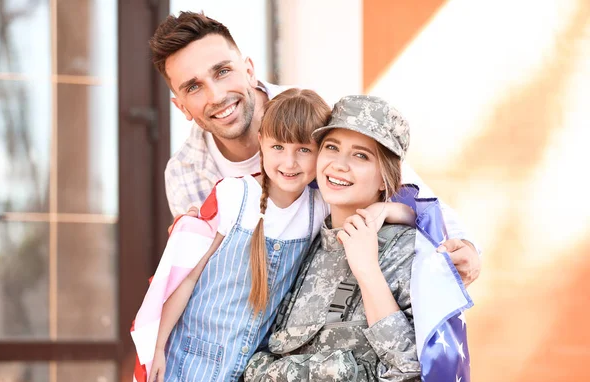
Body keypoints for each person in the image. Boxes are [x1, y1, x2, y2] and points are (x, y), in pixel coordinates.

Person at [148, 11, 481, 286]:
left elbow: (403, 186)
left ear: (248, 69)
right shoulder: (184, 173)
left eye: (223, 71)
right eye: (194, 87)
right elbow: (208, 278)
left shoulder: (317, 117)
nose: (216, 95)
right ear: (181, 107)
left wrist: (463, 245)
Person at [135, 89, 415, 382]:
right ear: (262, 145)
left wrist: (388, 210)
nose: (290, 161)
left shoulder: (322, 208)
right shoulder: (240, 198)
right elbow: (185, 277)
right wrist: (157, 346)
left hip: (241, 378)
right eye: (332, 148)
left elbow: (415, 205)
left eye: (304, 150)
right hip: (192, 365)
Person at [244, 95, 425, 382]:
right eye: (331, 147)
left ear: (385, 179)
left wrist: (367, 271)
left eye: (361, 156)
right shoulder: (306, 239)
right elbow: (256, 362)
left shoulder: (408, 253)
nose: (339, 165)